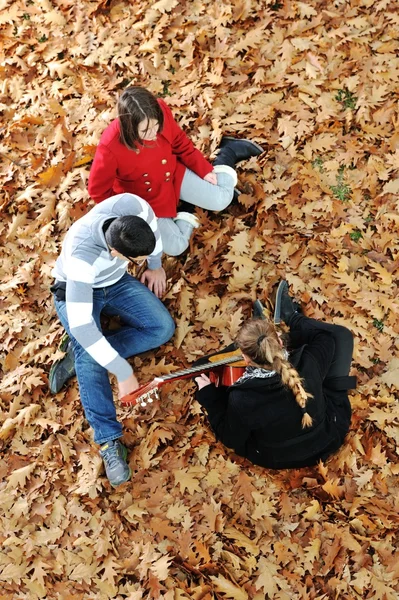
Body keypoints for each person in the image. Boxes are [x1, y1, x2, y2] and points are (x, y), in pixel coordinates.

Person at [49, 193, 175, 487]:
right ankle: (109, 442)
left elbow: (153, 234)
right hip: (76, 292)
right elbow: (82, 325)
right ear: (117, 251)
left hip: (115, 283)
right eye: (138, 260)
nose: (141, 262)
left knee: (161, 328)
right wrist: (121, 369)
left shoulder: (134, 207)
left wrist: (154, 264)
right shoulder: (83, 257)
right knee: (87, 346)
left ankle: (83, 355)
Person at [195, 281, 356, 469]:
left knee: (203, 368)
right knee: (342, 336)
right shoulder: (309, 361)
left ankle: (256, 341)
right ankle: (290, 318)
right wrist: (287, 337)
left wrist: (210, 397)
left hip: (276, 457)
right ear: (280, 342)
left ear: (245, 359)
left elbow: (231, 438)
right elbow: (326, 337)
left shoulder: (241, 399)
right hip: (328, 438)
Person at [88, 86, 263, 256]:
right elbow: (98, 191)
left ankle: (227, 152)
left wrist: (203, 170)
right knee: (176, 247)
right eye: (145, 130)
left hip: (173, 175)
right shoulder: (110, 145)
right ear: (129, 127)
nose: (153, 133)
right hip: (147, 201)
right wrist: (133, 213)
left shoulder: (160, 109)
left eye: (156, 126)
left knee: (221, 199)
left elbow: (179, 142)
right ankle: (188, 208)